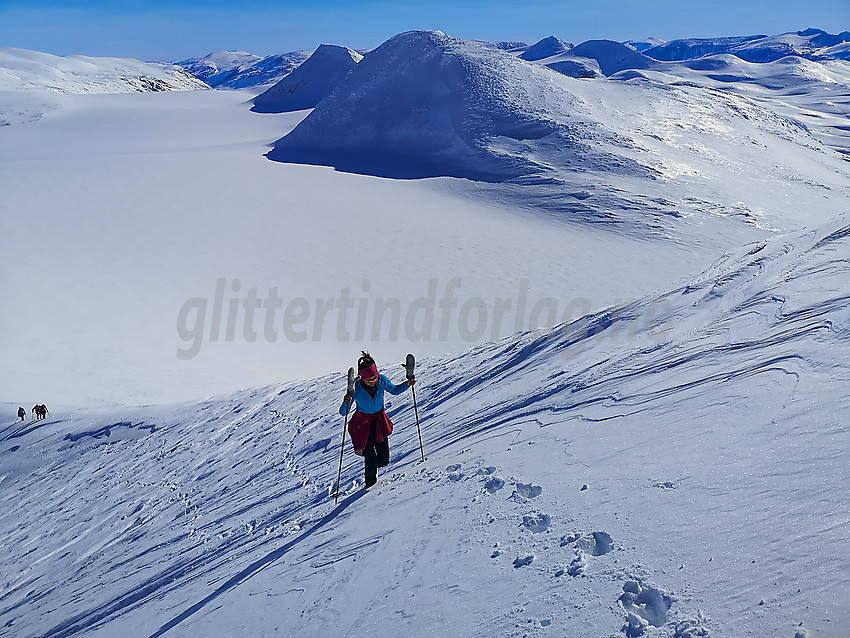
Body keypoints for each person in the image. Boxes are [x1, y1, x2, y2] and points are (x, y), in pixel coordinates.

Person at [339, 351, 415, 488]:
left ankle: (372, 461)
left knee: (384, 460)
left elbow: (395, 390)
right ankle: (370, 488)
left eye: (374, 377)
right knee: (371, 460)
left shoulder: (382, 380)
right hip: (361, 425)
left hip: (379, 422)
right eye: (369, 380)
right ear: (362, 378)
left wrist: (407, 384)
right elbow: (343, 412)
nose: (373, 381)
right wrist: (346, 400)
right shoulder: (356, 388)